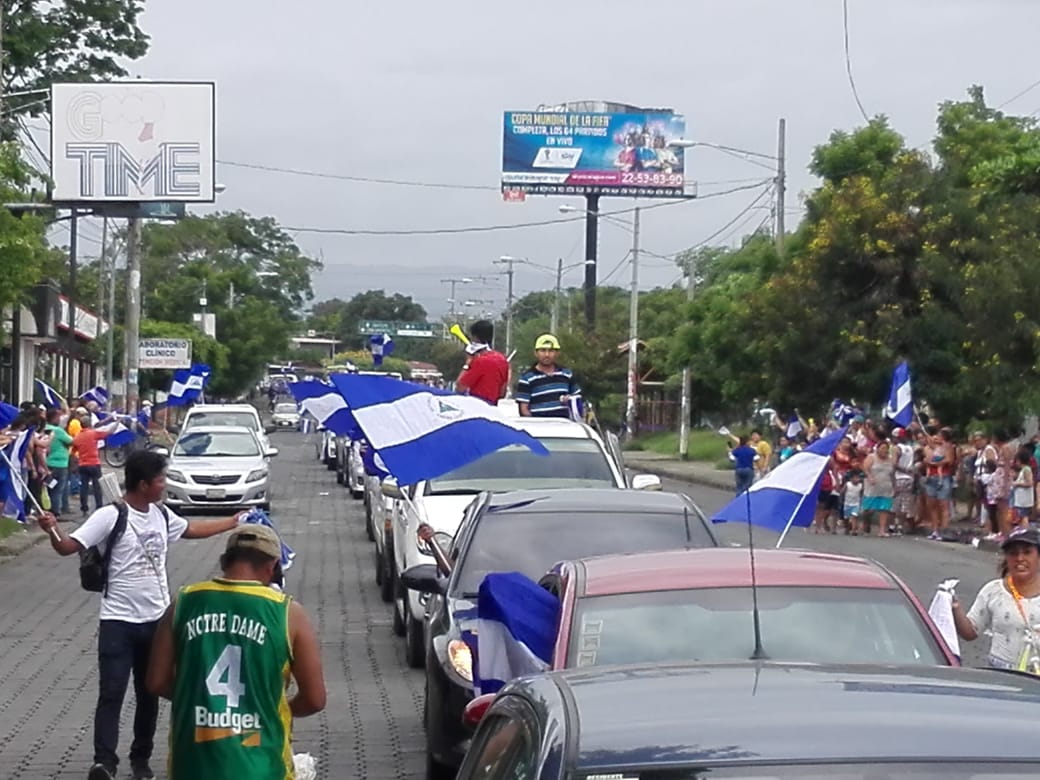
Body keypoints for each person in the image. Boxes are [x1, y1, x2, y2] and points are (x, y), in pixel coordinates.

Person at [36, 450, 249, 780]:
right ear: (144, 483)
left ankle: (141, 760)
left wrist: (233, 522)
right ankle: (104, 762)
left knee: (150, 692)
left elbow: (192, 530)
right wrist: (51, 528)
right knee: (112, 692)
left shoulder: (161, 515)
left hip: (158, 621)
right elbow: (67, 547)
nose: (164, 485)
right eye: (161, 479)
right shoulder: (111, 515)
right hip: (118, 621)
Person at [146, 525, 326, 780]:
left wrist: (205, 703)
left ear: (225, 561)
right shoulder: (287, 613)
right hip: (262, 766)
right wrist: (269, 708)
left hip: (193, 764)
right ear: (272, 566)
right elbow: (315, 699)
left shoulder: (184, 602)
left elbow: (156, 681)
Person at [952, 527, 1040, 672]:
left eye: (1027, 552)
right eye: (1013, 553)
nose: (1020, 558)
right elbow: (970, 632)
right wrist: (954, 608)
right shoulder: (993, 591)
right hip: (1002, 677)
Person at [514, 334, 581, 419]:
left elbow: (578, 401)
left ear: (557, 353)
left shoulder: (566, 374)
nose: (547, 354)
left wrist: (571, 400)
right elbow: (523, 410)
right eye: (543, 350)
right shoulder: (527, 378)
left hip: (564, 427)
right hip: (539, 428)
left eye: (551, 351)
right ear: (536, 353)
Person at [455, 319, 509, 405]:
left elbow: (460, 387)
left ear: (475, 337)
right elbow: (502, 393)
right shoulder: (502, 359)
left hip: (477, 407)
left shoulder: (479, 362)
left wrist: (468, 362)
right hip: (493, 408)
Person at [73, 416, 111, 516]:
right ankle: (99, 506)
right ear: (90, 423)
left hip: (82, 464)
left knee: (84, 487)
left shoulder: (77, 437)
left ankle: (84, 508)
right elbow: (108, 432)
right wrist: (116, 423)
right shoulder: (93, 433)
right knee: (97, 487)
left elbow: (73, 450)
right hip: (94, 463)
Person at [44, 406, 75, 520]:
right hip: (60, 464)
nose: (60, 419)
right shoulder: (58, 431)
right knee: (58, 489)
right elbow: (72, 441)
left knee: (48, 487)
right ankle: (55, 512)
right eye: (58, 417)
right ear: (54, 417)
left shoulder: (45, 428)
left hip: (47, 463)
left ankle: (47, 509)